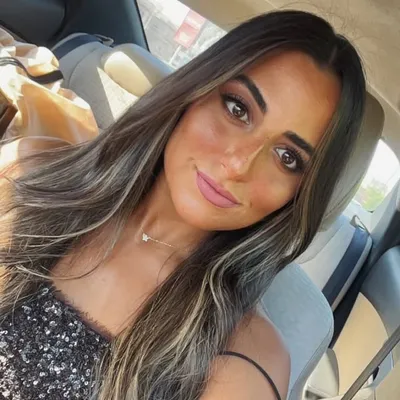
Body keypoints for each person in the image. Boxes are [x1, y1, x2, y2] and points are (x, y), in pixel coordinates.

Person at [0, 10, 365, 400]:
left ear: (300, 194)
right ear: (195, 90)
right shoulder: (29, 178)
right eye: (238, 109)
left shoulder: (246, 363)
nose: (238, 164)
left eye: (287, 157)